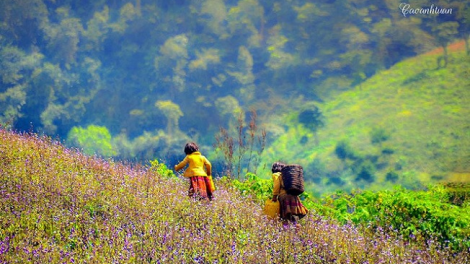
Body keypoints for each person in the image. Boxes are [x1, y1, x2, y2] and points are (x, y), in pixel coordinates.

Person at [271, 162, 308, 228]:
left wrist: (274, 196)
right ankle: (297, 231)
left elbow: (277, 186)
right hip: (294, 197)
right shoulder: (286, 176)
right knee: (292, 217)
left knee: (285, 217)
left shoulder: (276, 175)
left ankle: (289, 232)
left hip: (284, 197)